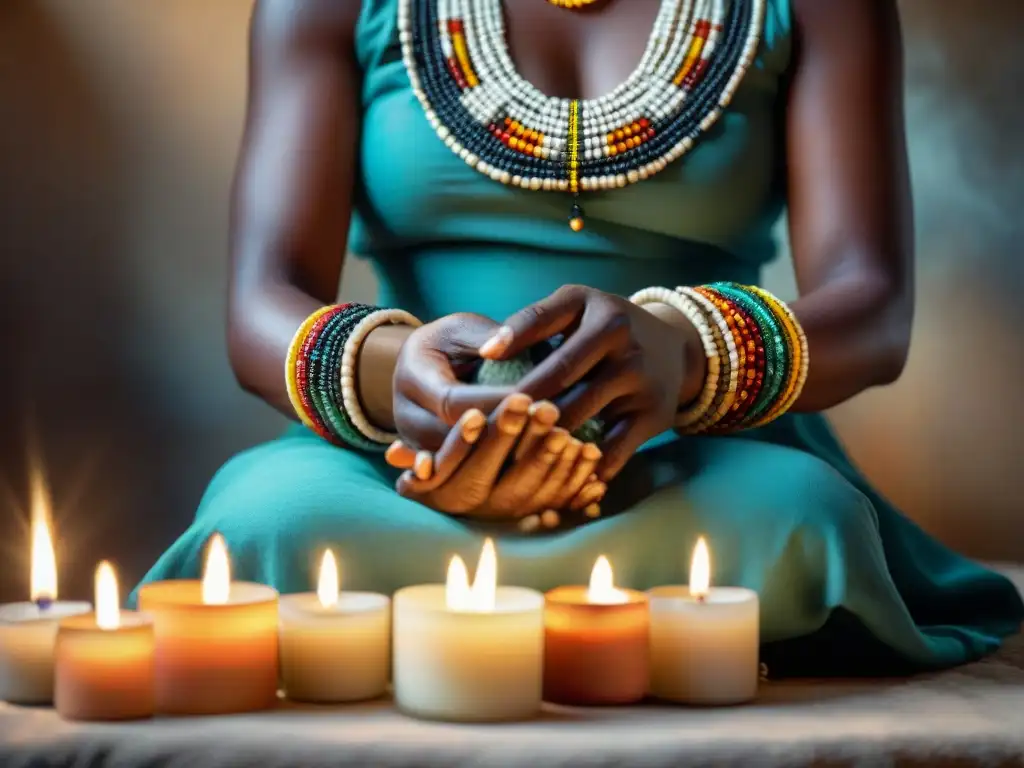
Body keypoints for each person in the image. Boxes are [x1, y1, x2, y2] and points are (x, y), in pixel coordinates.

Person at [134, 0, 1023, 676]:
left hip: (697, 458)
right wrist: (401, 379)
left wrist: (685, 350)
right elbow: (260, 301)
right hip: (404, 466)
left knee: (806, 521)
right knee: (266, 521)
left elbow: (872, 310)